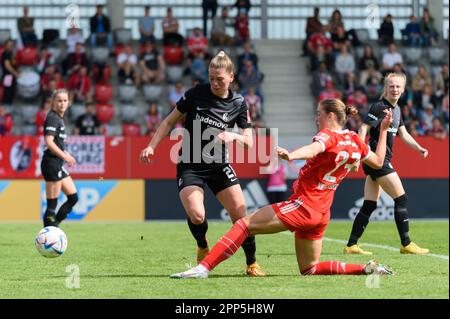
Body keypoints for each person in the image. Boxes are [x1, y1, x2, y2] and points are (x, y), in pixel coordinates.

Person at [170, 98, 394, 279]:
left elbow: (315, 148)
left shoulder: (329, 135)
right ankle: (367, 269)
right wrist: (383, 131)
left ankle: (203, 268)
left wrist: (291, 155)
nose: (316, 118)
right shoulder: (354, 140)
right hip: (322, 213)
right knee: (310, 268)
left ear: (331, 116)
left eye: (318, 114)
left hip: (304, 206)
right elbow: (379, 160)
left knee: (243, 224)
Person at [140, 51, 266, 277]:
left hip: (219, 165)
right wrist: (151, 146)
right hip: (190, 165)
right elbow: (169, 121)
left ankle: (252, 263)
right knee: (197, 215)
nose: (215, 83)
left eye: (220, 78)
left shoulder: (239, 102)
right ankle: (202, 245)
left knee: (240, 215)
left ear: (231, 76)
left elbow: (249, 142)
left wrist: (234, 136)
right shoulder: (196, 94)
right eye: (212, 77)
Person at [344, 73, 430, 255]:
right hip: (377, 160)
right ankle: (406, 243)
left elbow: (404, 134)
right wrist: (357, 156)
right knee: (401, 199)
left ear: (403, 89)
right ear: (386, 88)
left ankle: (351, 245)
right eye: (391, 86)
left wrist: (419, 148)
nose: (395, 89)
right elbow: (363, 128)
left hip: (377, 161)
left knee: (369, 204)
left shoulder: (397, 110)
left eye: (398, 86)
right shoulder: (379, 107)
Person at [41, 89, 78, 227]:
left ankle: (55, 226)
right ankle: (47, 237)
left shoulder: (59, 119)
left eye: (65, 100)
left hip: (57, 163)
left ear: (69, 102)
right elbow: (49, 142)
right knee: (52, 206)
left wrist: (66, 154)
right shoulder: (52, 117)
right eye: (59, 100)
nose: (62, 103)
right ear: (53, 103)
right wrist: (65, 156)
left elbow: (56, 143)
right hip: (51, 163)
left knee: (73, 198)